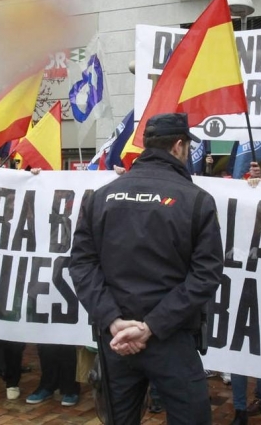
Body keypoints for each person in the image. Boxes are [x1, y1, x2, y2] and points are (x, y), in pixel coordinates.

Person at [70, 112, 224, 424]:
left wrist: (114, 321)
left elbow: (81, 264)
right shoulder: (197, 200)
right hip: (170, 336)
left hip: (117, 339)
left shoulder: (100, 197)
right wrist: (151, 326)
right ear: (179, 146)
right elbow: (206, 274)